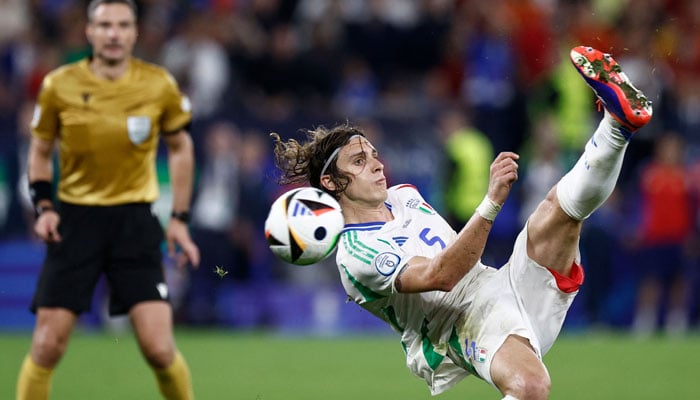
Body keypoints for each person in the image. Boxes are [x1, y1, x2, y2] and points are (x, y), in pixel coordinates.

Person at [270, 46, 653, 399]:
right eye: (358, 161)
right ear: (331, 183)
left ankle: (616, 128)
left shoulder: (404, 194)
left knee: (559, 211)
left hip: (494, 284)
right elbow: (441, 275)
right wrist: (490, 204)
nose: (375, 163)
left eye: (373, 154)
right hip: (455, 325)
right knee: (531, 387)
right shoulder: (356, 256)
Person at [16, 1, 200, 399]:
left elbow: (182, 147)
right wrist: (44, 208)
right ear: (90, 32)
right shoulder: (59, 85)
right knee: (47, 346)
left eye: (122, 25)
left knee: (159, 348)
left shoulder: (157, 84)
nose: (114, 34)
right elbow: (39, 151)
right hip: (75, 221)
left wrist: (180, 218)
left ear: (135, 32)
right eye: (105, 26)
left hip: (134, 222)